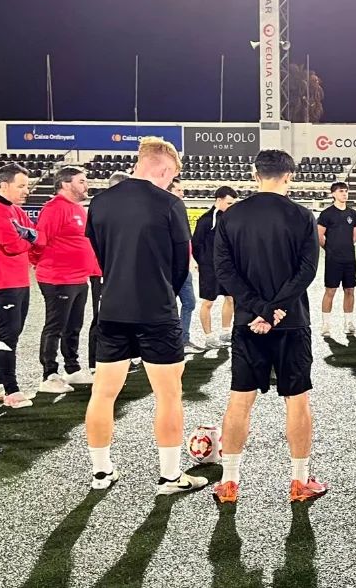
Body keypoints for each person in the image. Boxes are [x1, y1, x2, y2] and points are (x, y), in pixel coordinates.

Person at [84, 137, 207, 494]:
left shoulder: (101, 201)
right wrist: (160, 289)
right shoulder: (170, 203)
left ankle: (101, 472)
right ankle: (169, 477)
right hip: (156, 310)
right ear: (165, 170)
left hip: (113, 308)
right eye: (171, 176)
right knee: (169, 394)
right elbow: (179, 265)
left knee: (103, 392)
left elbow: (101, 253)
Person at [212, 149, 327, 504]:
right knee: (297, 400)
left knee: (240, 400)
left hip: (248, 322)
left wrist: (259, 309)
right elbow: (306, 271)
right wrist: (276, 308)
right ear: (289, 175)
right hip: (291, 323)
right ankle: (299, 481)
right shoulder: (303, 216)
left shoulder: (231, 216)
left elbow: (225, 272)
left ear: (255, 174)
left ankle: (229, 482)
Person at [33, 166, 98, 393]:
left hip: (79, 278)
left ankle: (72, 369)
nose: (86, 185)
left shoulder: (78, 209)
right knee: (56, 326)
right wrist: (43, 266)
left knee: (74, 326)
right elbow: (39, 242)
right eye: (81, 181)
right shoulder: (54, 209)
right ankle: (49, 374)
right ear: (66, 184)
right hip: (58, 278)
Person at [0, 163, 37, 408]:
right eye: (21, 186)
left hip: (20, 281)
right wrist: (27, 237)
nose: (27, 191)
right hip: (1, 282)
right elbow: (12, 245)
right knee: (8, 335)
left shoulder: (15, 210)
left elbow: (37, 235)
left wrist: (25, 235)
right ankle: (11, 390)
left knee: (13, 334)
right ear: (4, 185)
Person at [192, 186, 239, 349]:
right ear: (218, 200)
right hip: (209, 268)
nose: (232, 206)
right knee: (208, 302)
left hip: (228, 268)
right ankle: (209, 337)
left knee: (231, 299)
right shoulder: (205, 220)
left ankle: (226, 332)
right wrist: (201, 263)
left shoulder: (232, 219)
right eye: (229, 203)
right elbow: (196, 244)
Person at [317, 182, 356, 336]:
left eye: (346, 191)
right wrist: (329, 249)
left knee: (350, 290)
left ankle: (349, 324)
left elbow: (355, 237)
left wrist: (344, 247)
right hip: (333, 260)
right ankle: (326, 326)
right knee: (330, 291)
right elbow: (319, 235)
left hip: (349, 259)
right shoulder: (327, 214)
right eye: (341, 191)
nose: (344, 194)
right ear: (333, 194)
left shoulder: (352, 214)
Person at [168, 179, 198, 353]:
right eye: (179, 190)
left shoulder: (180, 210)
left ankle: (183, 340)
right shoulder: (166, 212)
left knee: (190, 303)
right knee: (168, 306)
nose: (182, 193)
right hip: (170, 269)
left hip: (184, 268)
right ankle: (171, 341)